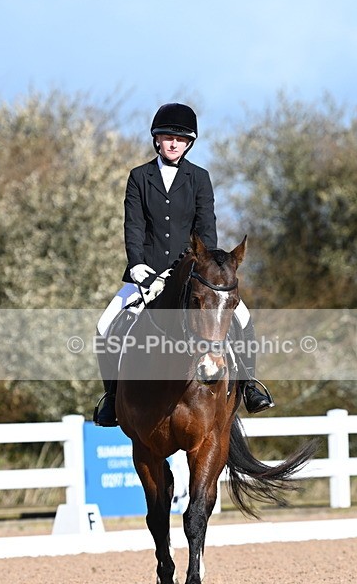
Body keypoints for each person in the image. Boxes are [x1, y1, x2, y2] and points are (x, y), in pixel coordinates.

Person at [94, 102, 274, 426]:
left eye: (180, 139)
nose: (173, 143)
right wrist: (137, 265)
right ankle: (111, 398)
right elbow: (133, 226)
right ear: (157, 140)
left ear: (189, 143)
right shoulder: (139, 177)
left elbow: (206, 228)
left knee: (243, 320)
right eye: (167, 137)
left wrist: (200, 266)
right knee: (105, 326)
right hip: (146, 274)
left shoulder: (199, 178)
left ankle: (249, 388)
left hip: (191, 272)